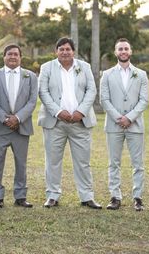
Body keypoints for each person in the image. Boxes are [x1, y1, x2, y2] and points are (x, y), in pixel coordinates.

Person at [38, 37, 101, 209]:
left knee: (83, 161)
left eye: (68, 49)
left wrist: (81, 111)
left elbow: (91, 90)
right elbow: (43, 92)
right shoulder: (47, 68)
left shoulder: (84, 67)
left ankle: (87, 196)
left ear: (73, 51)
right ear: (56, 51)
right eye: (61, 49)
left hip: (80, 122)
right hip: (54, 122)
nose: (65, 52)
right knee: (52, 160)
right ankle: (52, 195)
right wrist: (58, 112)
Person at [100, 37, 149, 211]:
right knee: (114, 162)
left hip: (135, 125)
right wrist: (118, 118)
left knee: (138, 164)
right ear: (115, 52)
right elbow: (104, 99)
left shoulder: (141, 74)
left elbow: (144, 100)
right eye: (120, 49)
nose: (123, 52)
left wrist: (130, 117)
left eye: (126, 49)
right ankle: (115, 196)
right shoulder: (106, 75)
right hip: (114, 125)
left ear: (131, 51)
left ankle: (138, 197)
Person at [0, 44, 38, 208]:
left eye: (16, 54)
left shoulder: (30, 76)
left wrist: (17, 118)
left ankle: (20, 196)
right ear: (4, 57)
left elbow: (32, 101)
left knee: (21, 163)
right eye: (9, 54)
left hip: (21, 128)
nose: (13, 57)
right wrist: (4, 118)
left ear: (20, 57)